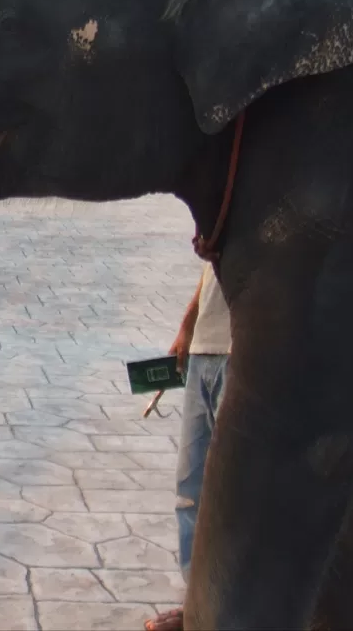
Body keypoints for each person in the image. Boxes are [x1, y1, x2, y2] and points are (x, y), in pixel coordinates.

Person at [145, 260, 231, 631]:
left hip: (250, 354)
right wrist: (188, 324)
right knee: (190, 491)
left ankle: (235, 607)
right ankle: (198, 605)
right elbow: (211, 268)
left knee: (239, 496)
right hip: (204, 350)